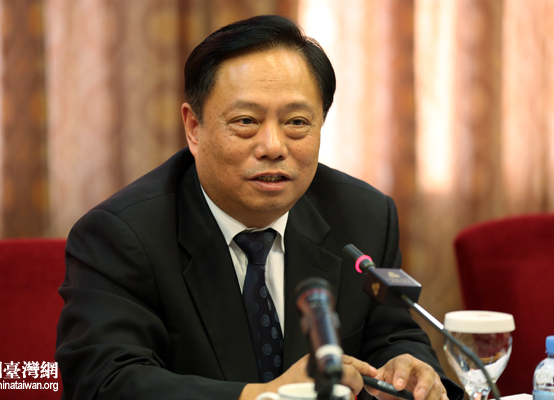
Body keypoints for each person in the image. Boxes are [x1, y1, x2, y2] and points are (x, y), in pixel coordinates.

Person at [55, 15, 463, 400]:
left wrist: (411, 368)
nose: (273, 147)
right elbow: (104, 380)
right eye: (246, 121)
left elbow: (392, 335)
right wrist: (266, 395)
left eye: (297, 122)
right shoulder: (122, 235)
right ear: (194, 128)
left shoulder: (364, 216)